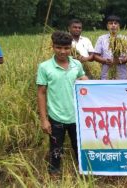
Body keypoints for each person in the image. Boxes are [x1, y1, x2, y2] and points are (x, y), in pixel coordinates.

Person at [37, 31, 88, 176]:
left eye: (66, 48)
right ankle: (54, 174)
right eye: (58, 48)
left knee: (78, 146)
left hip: (76, 116)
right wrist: (44, 120)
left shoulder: (76, 64)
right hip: (56, 117)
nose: (62, 51)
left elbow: (83, 79)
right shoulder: (45, 67)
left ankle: (84, 172)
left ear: (71, 47)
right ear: (52, 46)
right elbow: (41, 93)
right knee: (55, 149)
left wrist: (96, 85)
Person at [94, 15, 127, 80]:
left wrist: (118, 61)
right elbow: (95, 56)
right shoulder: (101, 39)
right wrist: (105, 61)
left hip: (121, 75)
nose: (113, 25)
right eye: (110, 23)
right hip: (106, 75)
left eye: (115, 23)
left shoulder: (124, 39)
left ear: (119, 26)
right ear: (107, 26)